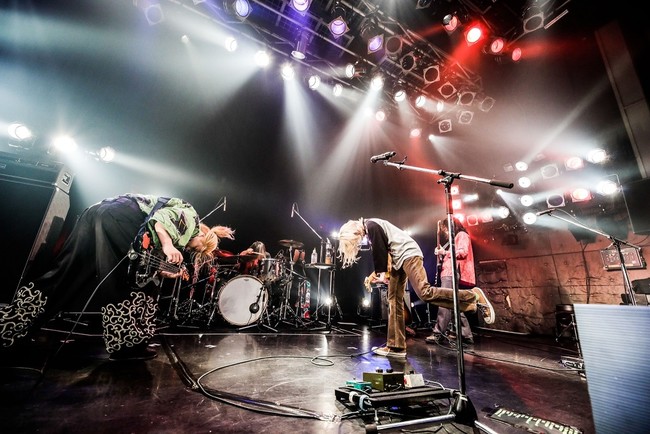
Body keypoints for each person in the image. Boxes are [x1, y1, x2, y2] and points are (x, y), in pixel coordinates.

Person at [0, 193, 235, 360]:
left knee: (64, 274)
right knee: (132, 285)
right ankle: (128, 344)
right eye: (195, 248)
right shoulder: (191, 217)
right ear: (201, 236)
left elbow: (145, 251)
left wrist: (162, 268)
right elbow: (160, 220)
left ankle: (12, 328)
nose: (189, 250)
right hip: (120, 218)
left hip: (95, 212)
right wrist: (167, 245)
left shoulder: (182, 226)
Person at [338, 217, 494, 358]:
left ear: (355, 232)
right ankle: (396, 346)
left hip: (409, 255)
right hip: (399, 260)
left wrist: (381, 274)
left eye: (354, 240)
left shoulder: (371, 225)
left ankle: (473, 296)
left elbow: (380, 253)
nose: (357, 242)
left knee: (425, 292)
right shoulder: (372, 227)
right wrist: (383, 275)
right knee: (393, 300)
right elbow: (385, 253)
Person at [426, 217, 490, 346]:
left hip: (452, 273)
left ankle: (439, 333)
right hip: (448, 272)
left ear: (451, 226)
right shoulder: (454, 239)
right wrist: (442, 254)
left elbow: (463, 252)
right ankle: (466, 335)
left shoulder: (461, 235)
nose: (445, 231)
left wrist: (444, 252)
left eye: (445, 228)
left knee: (445, 302)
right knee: (454, 305)